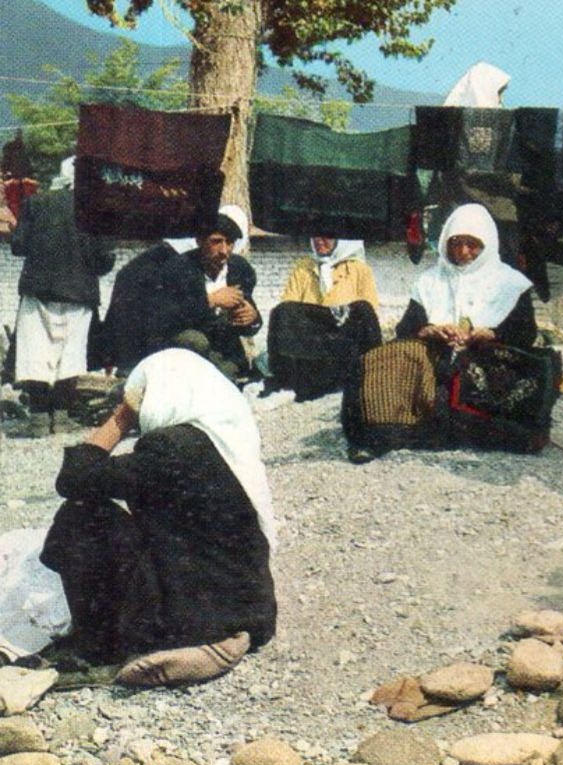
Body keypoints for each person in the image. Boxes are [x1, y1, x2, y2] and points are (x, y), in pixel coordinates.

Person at [40, 348, 277, 686]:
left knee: (82, 513)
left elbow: (74, 480)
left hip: (196, 619)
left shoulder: (173, 447)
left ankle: (99, 647)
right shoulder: (218, 443)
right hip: (243, 609)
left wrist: (121, 417)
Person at [341, 203, 555, 462]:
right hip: (437, 362)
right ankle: (375, 431)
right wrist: (430, 330)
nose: (463, 252)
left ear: (487, 244)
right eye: (456, 243)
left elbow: (525, 332)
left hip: (485, 366)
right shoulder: (429, 281)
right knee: (389, 357)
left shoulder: (510, 283)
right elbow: (406, 329)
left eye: (472, 244)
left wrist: (491, 333)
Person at [9, 159, 115, 429]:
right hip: (80, 294)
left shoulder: (37, 203)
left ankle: (39, 418)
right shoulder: (97, 210)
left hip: (40, 289)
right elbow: (104, 260)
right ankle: (63, 416)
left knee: (35, 353)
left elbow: (19, 246)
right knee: (71, 355)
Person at [146, 211, 261, 380]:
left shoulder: (240, 268)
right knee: (196, 341)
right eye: (216, 242)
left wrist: (252, 318)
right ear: (199, 241)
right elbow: (162, 319)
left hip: (222, 347)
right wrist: (211, 301)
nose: (224, 250)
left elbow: (249, 320)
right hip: (180, 346)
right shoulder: (176, 269)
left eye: (229, 243)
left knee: (231, 376)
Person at [267, 237, 383, 400]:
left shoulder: (360, 270)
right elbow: (289, 309)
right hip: (312, 347)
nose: (319, 241)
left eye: (326, 236)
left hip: (344, 348)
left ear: (342, 240)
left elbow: (370, 316)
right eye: (315, 236)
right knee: (282, 311)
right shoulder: (303, 268)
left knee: (363, 309)